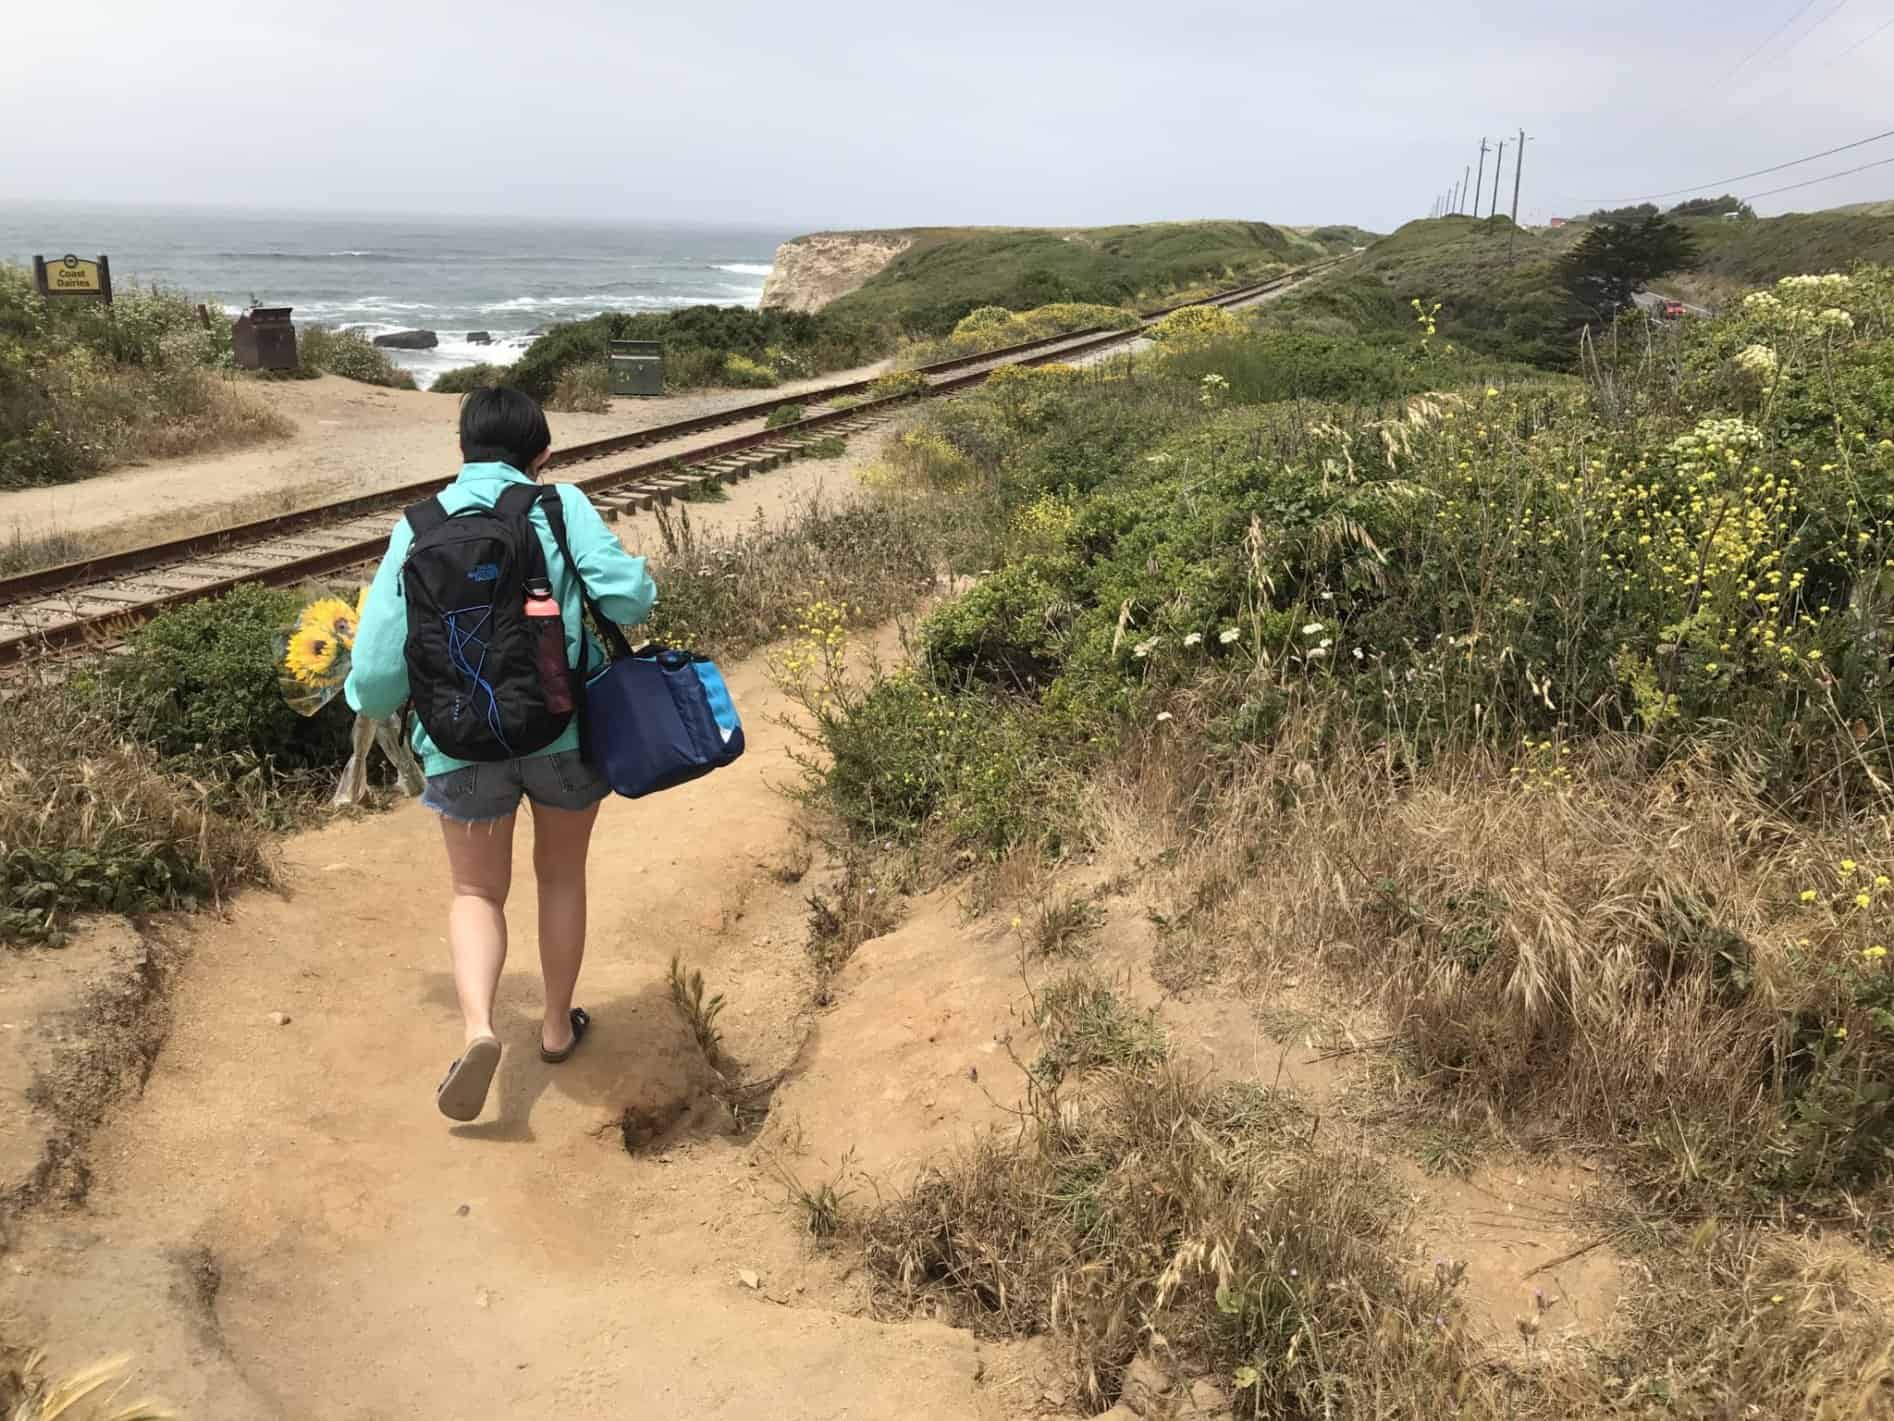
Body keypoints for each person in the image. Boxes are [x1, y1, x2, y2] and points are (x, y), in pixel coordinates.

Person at [346, 386, 657, 1122]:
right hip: (563, 734)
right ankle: (554, 1027)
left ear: (461, 451)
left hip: (459, 744)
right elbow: (630, 601)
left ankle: (481, 1028)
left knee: (477, 893)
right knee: (560, 876)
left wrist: (375, 711)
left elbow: (379, 675)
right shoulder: (560, 505)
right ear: (540, 453)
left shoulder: (417, 525)